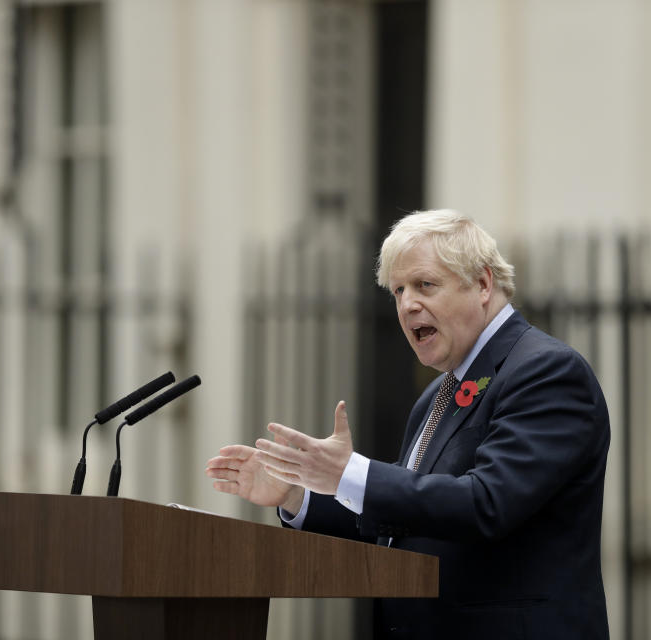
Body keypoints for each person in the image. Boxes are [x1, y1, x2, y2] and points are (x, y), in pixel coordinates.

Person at [206, 210, 610, 639]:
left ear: (483, 284)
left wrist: (349, 473)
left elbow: (487, 504)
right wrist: (296, 493)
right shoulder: (438, 394)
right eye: (398, 290)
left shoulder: (546, 371)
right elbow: (402, 522)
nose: (407, 304)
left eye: (425, 285)